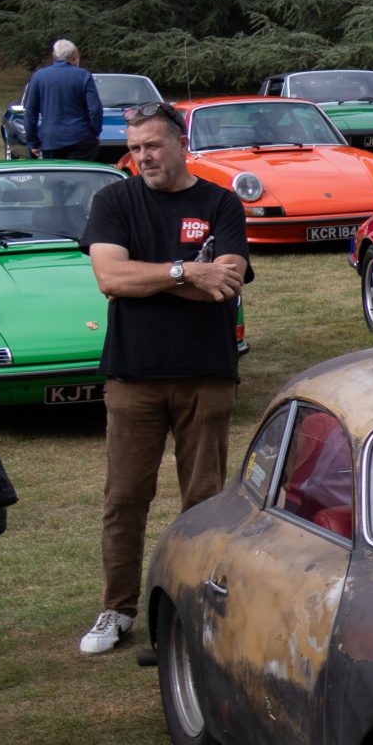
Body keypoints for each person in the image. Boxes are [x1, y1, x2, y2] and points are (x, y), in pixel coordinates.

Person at [77, 104, 252, 656]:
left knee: (203, 500)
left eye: (153, 145)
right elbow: (110, 277)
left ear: (181, 144)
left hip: (207, 375)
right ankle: (117, 608)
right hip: (134, 374)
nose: (143, 157)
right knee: (125, 497)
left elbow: (226, 284)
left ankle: (194, 608)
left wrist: (151, 278)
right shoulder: (114, 201)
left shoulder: (221, 203)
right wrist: (186, 269)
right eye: (135, 148)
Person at [23, 39, 104, 161]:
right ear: (74, 56)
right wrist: (95, 131)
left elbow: (30, 112)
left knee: (54, 172)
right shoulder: (83, 75)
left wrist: (32, 141)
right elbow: (95, 109)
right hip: (81, 138)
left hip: (51, 140)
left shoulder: (39, 76)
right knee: (81, 172)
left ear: (54, 55)